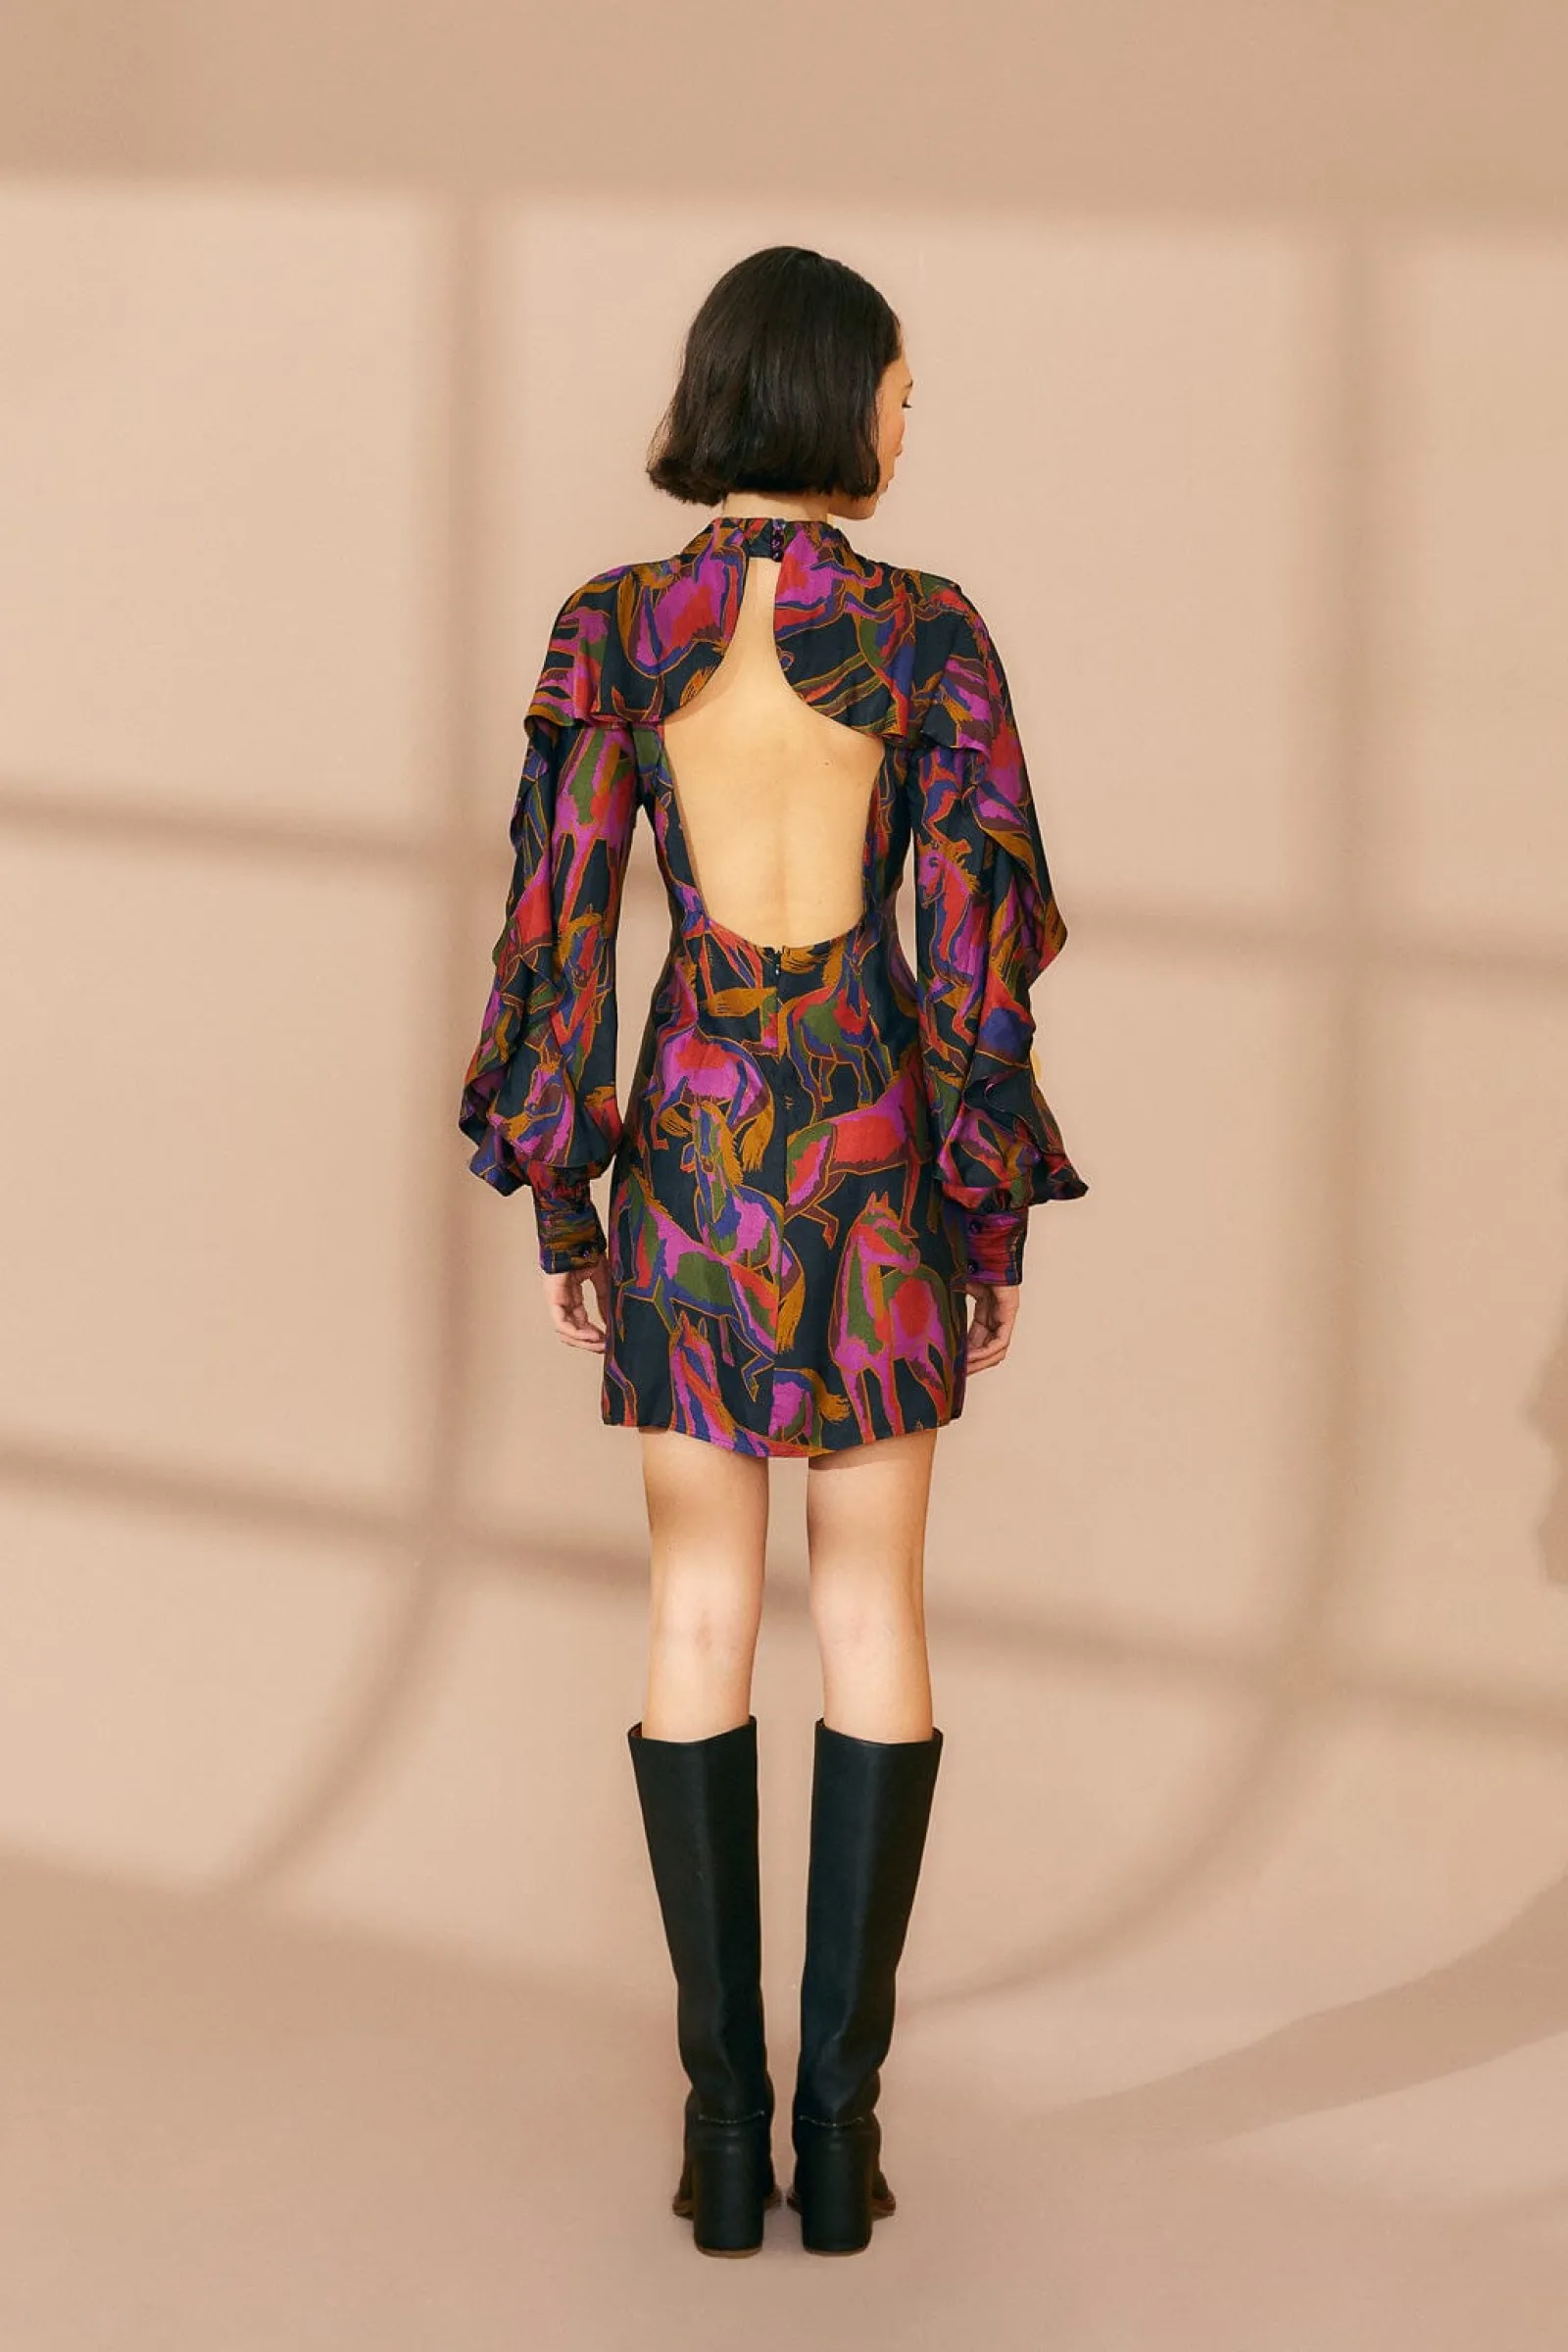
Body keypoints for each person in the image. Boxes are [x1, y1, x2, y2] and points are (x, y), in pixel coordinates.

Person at [457, 245, 1088, 2256]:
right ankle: (841, 2133)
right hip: (875, 1151)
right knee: (876, 1613)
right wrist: (982, 1204)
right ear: (833, 394)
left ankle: (721, 2139)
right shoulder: (926, 633)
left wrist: (569, 1192)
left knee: (695, 1608)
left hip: (692, 1158)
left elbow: (556, 925)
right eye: (899, 389)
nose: (908, 420)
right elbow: (974, 952)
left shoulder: (614, 628)